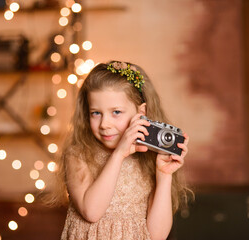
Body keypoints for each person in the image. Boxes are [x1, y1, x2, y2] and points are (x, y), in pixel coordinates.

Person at [53, 60, 192, 240]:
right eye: (96, 113)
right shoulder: (78, 155)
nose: (104, 124)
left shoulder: (149, 160)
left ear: (140, 113)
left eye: (116, 112)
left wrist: (164, 175)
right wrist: (119, 154)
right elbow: (91, 212)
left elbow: (156, 236)